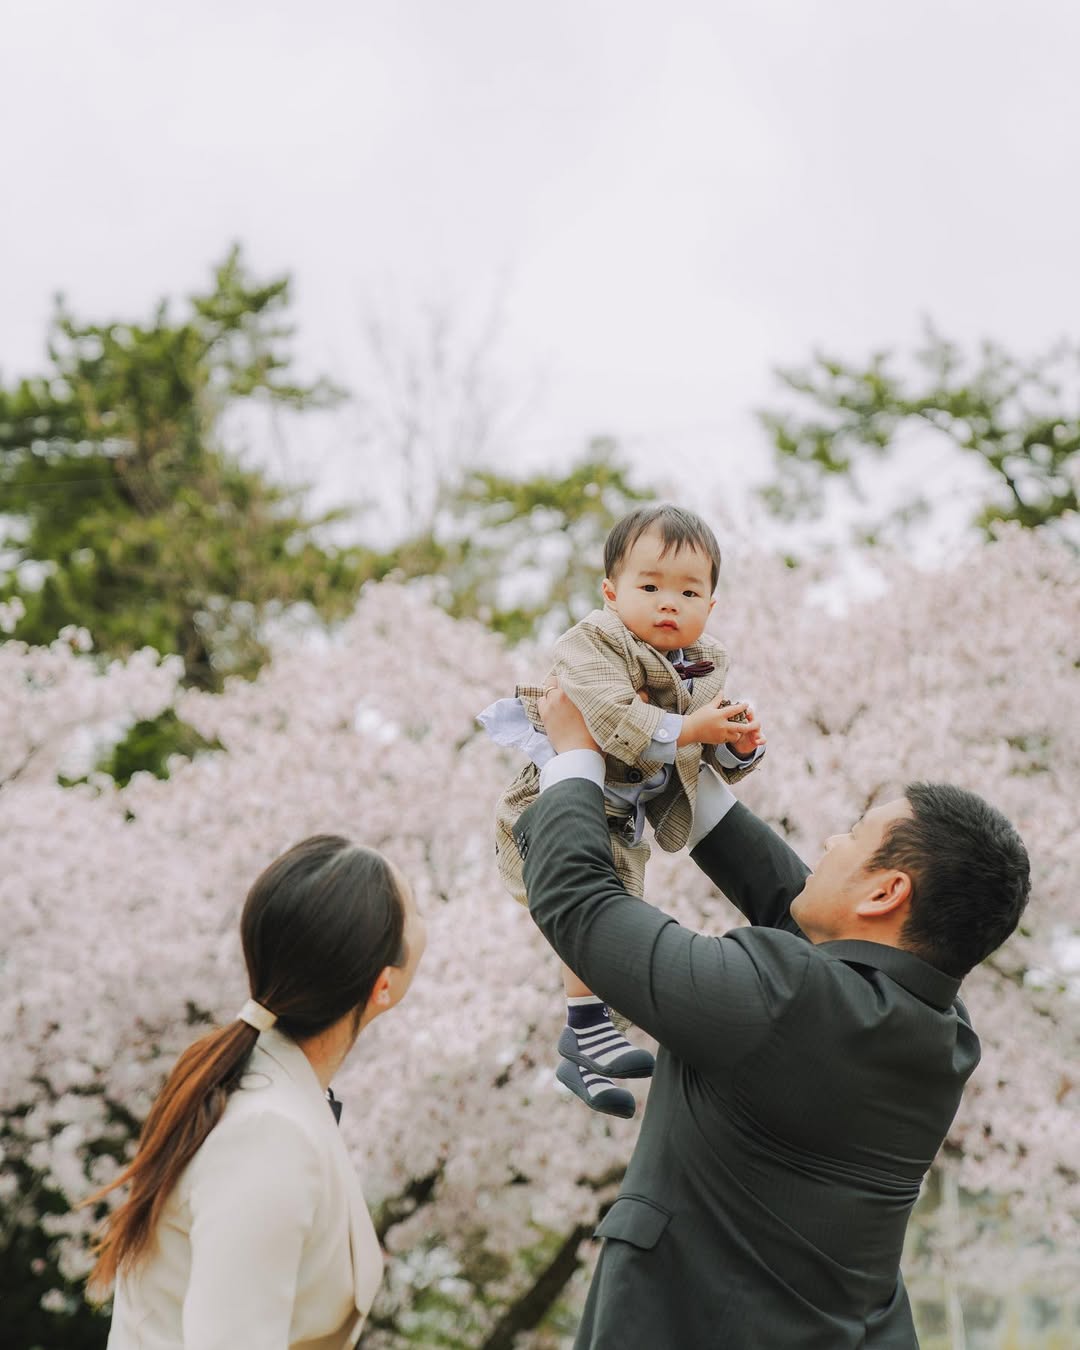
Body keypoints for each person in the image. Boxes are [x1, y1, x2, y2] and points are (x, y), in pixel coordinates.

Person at [514, 683, 1030, 1350]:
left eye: (855, 831)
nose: (831, 839)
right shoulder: (942, 1031)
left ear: (887, 890)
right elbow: (808, 914)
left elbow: (579, 904)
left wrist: (576, 758)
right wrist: (666, 757)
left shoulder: (787, 999)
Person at [479, 504, 765, 1117]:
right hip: (555, 804)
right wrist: (692, 728)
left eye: (689, 591)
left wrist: (735, 748)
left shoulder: (705, 666)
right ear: (612, 593)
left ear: (710, 607)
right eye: (651, 586)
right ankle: (587, 1030)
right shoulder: (590, 642)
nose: (670, 603)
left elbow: (698, 752)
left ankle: (585, 1040)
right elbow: (612, 717)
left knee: (610, 924)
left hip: (622, 821)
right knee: (583, 912)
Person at [88, 834, 427, 1350]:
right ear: (383, 985)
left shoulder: (268, 1095)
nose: (427, 924)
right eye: (418, 913)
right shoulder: (269, 1134)